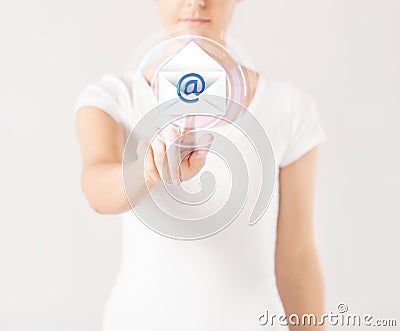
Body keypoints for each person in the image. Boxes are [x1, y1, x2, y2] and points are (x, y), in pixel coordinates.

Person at [74, 0, 327, 330]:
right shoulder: (114, 98)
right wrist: (148, 173)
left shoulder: (288, 107)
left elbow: (296, 259)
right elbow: (97, 189)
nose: (195, 2)